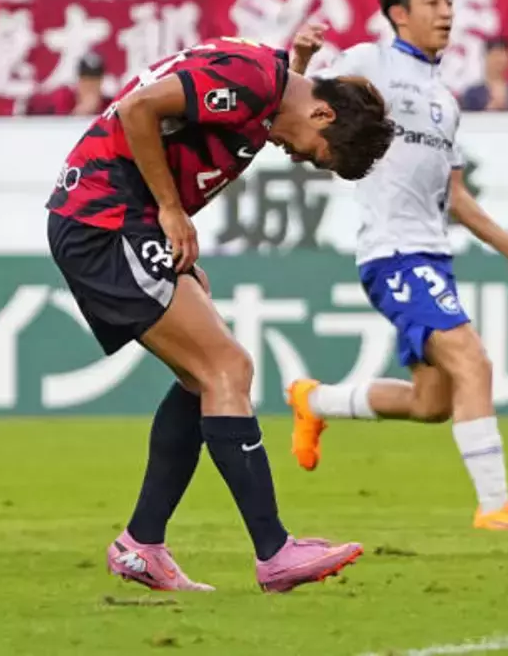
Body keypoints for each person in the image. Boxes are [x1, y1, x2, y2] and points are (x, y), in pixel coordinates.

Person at [46, 36, 393, 592]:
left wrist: (301, 64)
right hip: (105, 219)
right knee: (226, 368)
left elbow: (252, 102)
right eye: (314, 154)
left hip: (116, 218)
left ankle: (142, 544)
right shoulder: (254, 80)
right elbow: (138, 108)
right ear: (323, 114)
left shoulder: (268, 85)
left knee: (202, 378)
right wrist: (170, 210)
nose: (298, 158)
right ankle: (274, 552)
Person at [287, 0, 508, 531]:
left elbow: (454, 195)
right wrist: (302, 58)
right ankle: (495, 506)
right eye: (433, 1)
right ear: (399, 13)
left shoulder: (445, 101)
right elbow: (301, 100)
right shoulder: (370, 62)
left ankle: (315, 400)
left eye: (450, 2)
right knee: (473, 360)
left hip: (432, 254)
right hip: (393, 253)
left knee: (432, 403)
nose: (446, 13)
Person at [26, 53, 112, 117]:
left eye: (94, 83)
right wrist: (81, 112)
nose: (89, 87)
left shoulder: (108, 105)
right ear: (79, 81)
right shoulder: (64, 97)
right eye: (86, 82)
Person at [460, 37, 508, 112]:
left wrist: (506, 105)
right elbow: (467, 117)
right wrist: (490, 109)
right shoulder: (473, 93)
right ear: (486, 57)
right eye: (496, 55)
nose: (501, 60)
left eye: (504, 56)